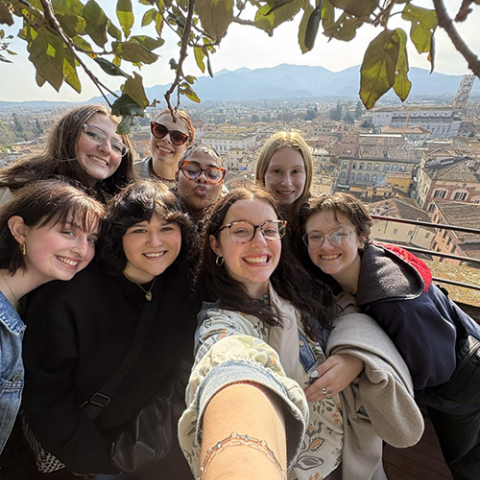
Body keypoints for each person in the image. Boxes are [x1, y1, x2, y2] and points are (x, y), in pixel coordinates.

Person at [178, 186, 423, 480]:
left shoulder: (295, 288)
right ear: (216, 245)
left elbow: (345, 309)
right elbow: (229, 364)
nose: (260, 242)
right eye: (241, 231)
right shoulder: (222, 323)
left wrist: (352, 356)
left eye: (269, 230)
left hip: (353, 457)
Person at [21, 180, 203, 479]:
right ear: (119, 237)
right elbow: (45, 398)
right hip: (86, 456)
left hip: (149, 445)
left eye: (167, 228)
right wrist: (98, 462)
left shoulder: (184, 283)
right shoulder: (68, 298)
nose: (155, 242)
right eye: (140, 230)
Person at [300, 192, 480, 480]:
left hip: (461, 386)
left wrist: (373, 367)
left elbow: (435, 369)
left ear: (361, 237)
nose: (326, 245)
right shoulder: (375, 261)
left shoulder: (394, 304)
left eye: (338, 234)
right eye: (315, 237)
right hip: (466, 342)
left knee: (466, 458)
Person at [0, 180, 105, 456]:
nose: (81, 250)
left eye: (91, 239)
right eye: (68, 231)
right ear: (20, 230)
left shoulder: (20, 305)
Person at [0, 105, 135, 205]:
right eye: (94, 134)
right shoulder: (13, 194)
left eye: (117, 146)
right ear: (68, 135)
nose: (106, 149)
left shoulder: (114, 203)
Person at [255, 131, 313, 230]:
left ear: (307, 174)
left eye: (295, 171)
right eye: (277, 171)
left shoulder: (321, 219)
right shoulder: (248, 218)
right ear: (262, 173)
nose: (287, 182)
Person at [136, 109, 194, 185]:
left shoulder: (193, 186)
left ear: (187, 145)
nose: (167, 139)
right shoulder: (127, 173)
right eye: (160, 130)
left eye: (177, 137)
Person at [175, 145, 226, 224]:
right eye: (192, 170)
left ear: (221, 186)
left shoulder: (228, 224)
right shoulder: (156, 215)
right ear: (177, 177)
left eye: (212, 174)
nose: (202, 178)